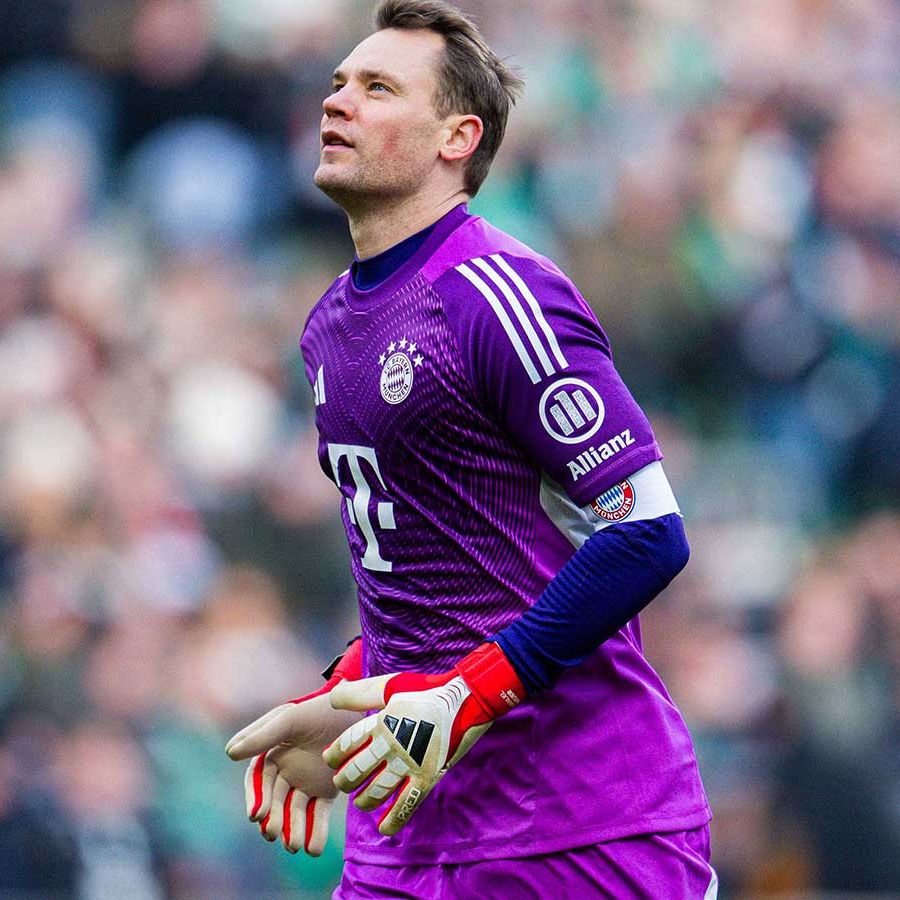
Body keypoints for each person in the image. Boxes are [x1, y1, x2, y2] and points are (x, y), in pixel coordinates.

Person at [226, 1, 716, 896]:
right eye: (338, 83)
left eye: (378, 88)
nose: (338, 101)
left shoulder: (497, 295)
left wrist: (468, 696)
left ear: (459, 137)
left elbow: (646, 531)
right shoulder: (328, 326)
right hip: (407, 831)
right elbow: (435, 571)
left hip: (577, 828)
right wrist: (340, 696)